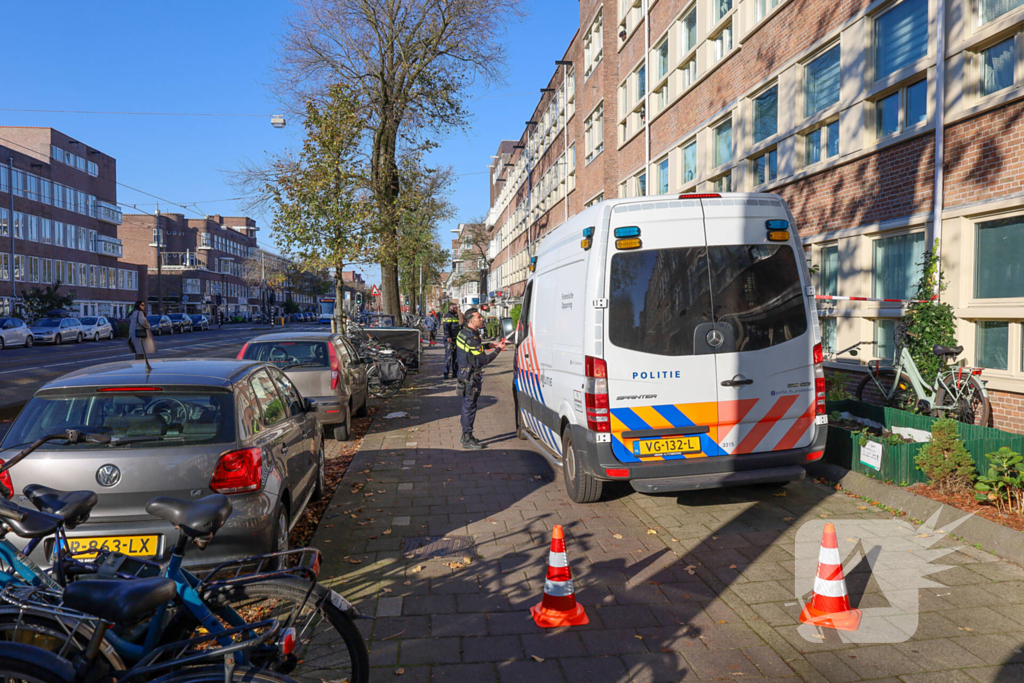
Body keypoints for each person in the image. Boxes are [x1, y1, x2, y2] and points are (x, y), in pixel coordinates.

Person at [456, 307, 507, 450]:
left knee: (468, 406)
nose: (482, 319)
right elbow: (484, 360)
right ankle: (467, 438)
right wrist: (498, 349)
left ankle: (467, 435)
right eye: (479, 317)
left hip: (464, 373)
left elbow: (471, 350)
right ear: (471, 320)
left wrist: (487, 345)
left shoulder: (464, 333)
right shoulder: (472, 338)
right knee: (469, 407)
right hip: (471, 377)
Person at [442, 304, 461, 380]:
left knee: (456, 358)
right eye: (455, 307)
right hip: (449, 339)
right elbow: (446, 327)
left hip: (456, 339)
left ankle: (455, 373)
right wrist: (448, 336)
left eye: (457, 307)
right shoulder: (448, 316)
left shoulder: (456, 315)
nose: (457, 308)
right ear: (451, 308)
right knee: (449, 357)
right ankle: (446, 373)